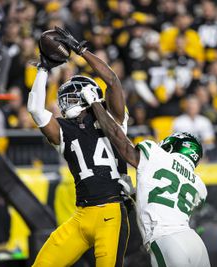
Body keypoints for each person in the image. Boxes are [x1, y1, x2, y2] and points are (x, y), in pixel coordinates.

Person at [28, 27, 129, 267]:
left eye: (72, 94)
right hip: (81, 215)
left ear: (89, 93)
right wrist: (43, 68)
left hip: (111, 213)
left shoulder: (112, 119)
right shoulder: (64, 129)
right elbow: (34, 109)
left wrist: (82, 51)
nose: (66, 100)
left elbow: (112, 80)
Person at [80, 85, 210, 267]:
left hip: (166, 238)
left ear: (172, 145)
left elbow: (121, 142)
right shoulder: (199, 184)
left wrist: (95, 104)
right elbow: (171, 201)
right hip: (194, 242)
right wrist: (136, 195)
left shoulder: (156, 154)